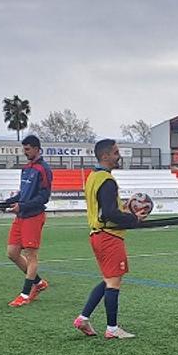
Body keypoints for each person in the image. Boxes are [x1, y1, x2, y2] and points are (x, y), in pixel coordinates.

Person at [73, 139, 146, 339]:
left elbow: (105, 210)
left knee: (108, 280)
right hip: (109, 236)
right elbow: (109, 214)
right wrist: (133, 218)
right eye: (115, 152)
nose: (118, 156)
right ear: (105, 156)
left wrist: (126, 208)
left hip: (97, 235)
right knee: (113, 282)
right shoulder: (107, 180)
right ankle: (112, 329)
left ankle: (83, 318)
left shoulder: (92, 177)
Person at [6, 134, 53, 307]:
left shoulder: (44, 169)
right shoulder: (26, 169)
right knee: (12, 253)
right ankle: (39, 283)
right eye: (24, 149)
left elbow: (44, 197)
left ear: (36, 149)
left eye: (27, 149)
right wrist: (8, 202)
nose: (25, 152)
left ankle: (25, 294)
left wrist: (22, 206)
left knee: (31, 256)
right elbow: (22, 194)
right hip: (21, 217)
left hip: (33, 217)